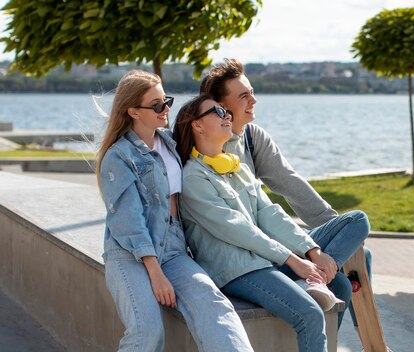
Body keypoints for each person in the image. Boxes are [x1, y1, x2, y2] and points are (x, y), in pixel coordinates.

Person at [173, 94, 370, 352]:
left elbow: (270, 214)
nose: (227, 115)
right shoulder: (193, 177)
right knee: (310, 312)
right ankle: (310, 284)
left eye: (226, 111)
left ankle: (313, 281)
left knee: (355, 227)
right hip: (238, 269)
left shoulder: (238, 169)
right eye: (218, 112)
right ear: (196, 125)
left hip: (268, 258)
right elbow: (238, 231)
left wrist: (313, 252)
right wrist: (293, 259)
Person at [198, 58, 373, 327]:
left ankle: (362, 331)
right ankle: (321, 287)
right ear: (221, 107)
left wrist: (332, 228)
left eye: (252, 92)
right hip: (249, 255)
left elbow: (290, 183)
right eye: (244, 96)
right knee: (340, 283)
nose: (253, 101)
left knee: (360, 247)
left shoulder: (252, 138)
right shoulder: (205, 151)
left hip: (278, 240)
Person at [95, 70, 253, 352]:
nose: (165, 108)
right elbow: (129, 222)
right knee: (147, 331)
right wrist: (156, 274)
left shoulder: (169, 142)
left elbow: (209, 139)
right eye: (156, 105)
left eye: (166, 100)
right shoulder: (119, 156)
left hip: (174, 249)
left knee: (215, 306)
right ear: (133, 111)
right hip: (130, 253)